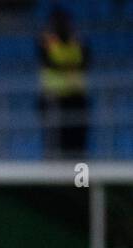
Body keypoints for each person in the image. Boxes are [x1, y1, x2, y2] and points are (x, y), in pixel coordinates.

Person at [38, 5, 90, 158]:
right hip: (53, 96)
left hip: (76, 95)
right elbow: (48, 62)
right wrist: (71, 66)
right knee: (55, 139)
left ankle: (78, 168)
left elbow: (86, 62)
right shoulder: (47, 42)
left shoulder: (78, 41)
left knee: (77, 138)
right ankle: (54, 166)